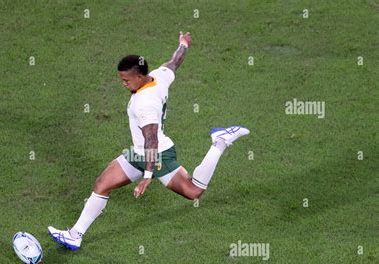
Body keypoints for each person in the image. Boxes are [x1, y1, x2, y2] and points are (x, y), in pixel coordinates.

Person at [48, 32, 249, 250]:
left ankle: (219, 142)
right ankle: (75, 235)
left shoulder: (145, 104)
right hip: (138, 152)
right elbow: (174, 62)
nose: (123, 84)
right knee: (102, 184)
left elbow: (151, 141)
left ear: (139, 77)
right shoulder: (157, 76)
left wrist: (147, 176)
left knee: (193, 191)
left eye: (126, 80)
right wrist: (183, 44)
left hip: (158, 154)